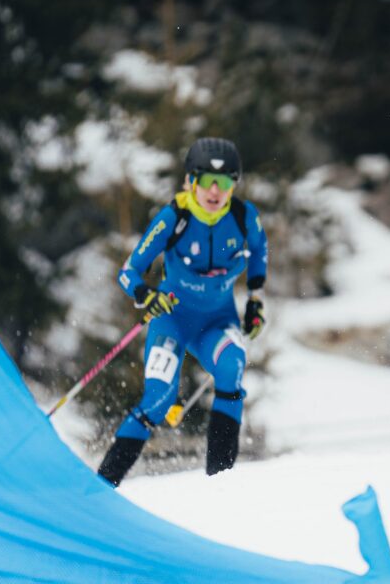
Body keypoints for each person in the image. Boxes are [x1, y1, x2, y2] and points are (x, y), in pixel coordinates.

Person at [97, 137, 269, 486]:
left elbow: (260, 254)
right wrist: (146, 295)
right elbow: (128, 271)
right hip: (172, 319)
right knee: (159, 398)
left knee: (231, 367)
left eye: (225, 182)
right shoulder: (172, 218)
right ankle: (102, 486)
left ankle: (221, 481)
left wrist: (255, 300)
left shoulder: (243, 217)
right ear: (191, 181)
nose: (215, 191)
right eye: (207, 180)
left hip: (217, 323)